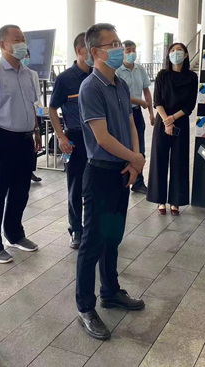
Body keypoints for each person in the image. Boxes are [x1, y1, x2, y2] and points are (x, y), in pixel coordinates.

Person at [76, 23, 146, 341]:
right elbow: (102, 138)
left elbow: (131, 123)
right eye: (113, 44)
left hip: (122, 170)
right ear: (96, 52)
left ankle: (110, 291)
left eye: (119, 42)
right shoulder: (91, 88)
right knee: (92, 243)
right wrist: (135, 159)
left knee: (113, 237)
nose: (119, 48)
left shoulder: (119, 84)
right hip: (101, 173)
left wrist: (135, 159)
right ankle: (85, 307)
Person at [0, 24, 40, 264]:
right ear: (3, 44)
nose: (22, 43)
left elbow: (32, 106)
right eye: (17, 39)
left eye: (23, 38)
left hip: (25, 140)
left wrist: (36, 131)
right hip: (1, 139)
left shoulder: (29, 74)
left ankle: (15, 234)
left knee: (21, 190)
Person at [48, 33, 92, 249]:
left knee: (96, 185)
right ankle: (76, 229)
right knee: (75, 186)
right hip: (74, 138)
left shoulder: (99, 75)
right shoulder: (65, 79)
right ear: (79, 51)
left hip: (98, 138)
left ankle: (94, 227)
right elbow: (52, 109)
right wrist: (61, 136)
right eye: (90, 49)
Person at [147, 43, 198, 216]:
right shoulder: (162, 75)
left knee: (179, 161)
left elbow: (190, 105)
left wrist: (173, 119)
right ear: (168, 55)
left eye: (179, 50)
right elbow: (158, 101)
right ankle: (160, 200)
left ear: (186, 55)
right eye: (172, 50)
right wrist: (167, 122)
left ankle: (176, 201)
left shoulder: (192, 77)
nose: (176, 53)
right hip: (163, 120)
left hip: (181, 120)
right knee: (159, 159)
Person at [116, 40, 154, 194]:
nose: (131, 53)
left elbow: (146, 91)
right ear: (122, 52)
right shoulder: (117, 71)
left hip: (137, 113)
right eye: (128, 50)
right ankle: (123, 180)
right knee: (124, 147)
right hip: (122, 114)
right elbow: (120, 95)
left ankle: (138, 182)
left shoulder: (140, 69)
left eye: (133, 50)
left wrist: (151, 112)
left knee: (140, 148)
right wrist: (140, 101)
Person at [23, 48, 43, 183]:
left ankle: (30, 171)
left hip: (34, 112)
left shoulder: (32, 74)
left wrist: (38, 109)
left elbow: (37, 94)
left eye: (27, 55)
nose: (25, 58)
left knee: (33, 146)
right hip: (21, 117)